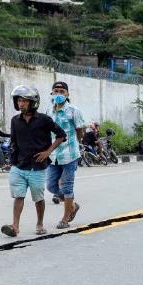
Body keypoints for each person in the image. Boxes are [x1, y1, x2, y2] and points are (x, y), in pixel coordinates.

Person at [2, 85, 66, 238]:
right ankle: (15, 226)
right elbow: (14, 143)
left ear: (33, 102)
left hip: (37, 167)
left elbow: (61, 135)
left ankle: (39, 224)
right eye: (18, 101)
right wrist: (11, 161)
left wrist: (48, 151)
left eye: (24, 101)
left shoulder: (44, 120)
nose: (21, 104)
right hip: (19, 166)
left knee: (38, 198)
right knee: (19, 196)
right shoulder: (15, 120)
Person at [45, 81, 85, 229]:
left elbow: (80, 130)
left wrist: (75, 142)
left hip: (70, 155)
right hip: (53, 155)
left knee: (67, 188)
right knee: (51, 186)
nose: (59, 94)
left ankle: (65, 219)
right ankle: (73, 206)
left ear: (67, 94)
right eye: (56, 91)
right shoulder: (49, 111)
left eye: (62, 91)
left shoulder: (74, 111)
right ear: (52, 93)